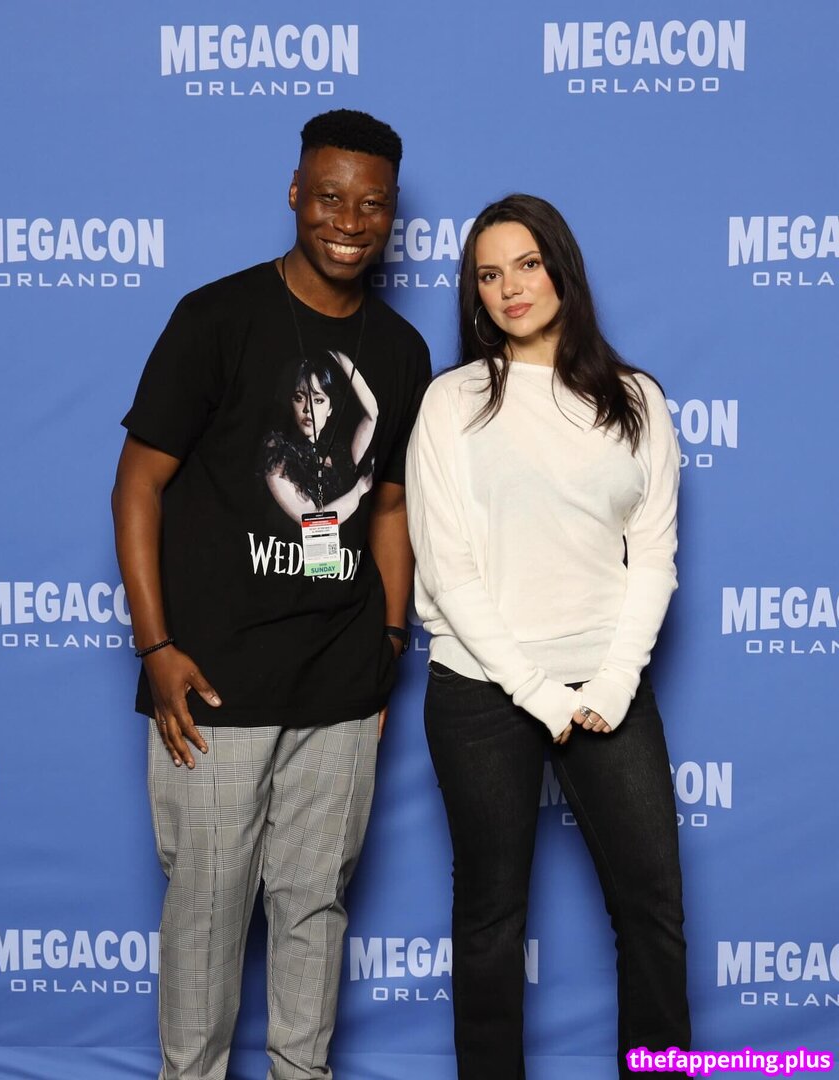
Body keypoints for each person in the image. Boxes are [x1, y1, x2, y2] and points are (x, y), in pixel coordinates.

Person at [111, 109, 430, 1080]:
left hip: (340, 684)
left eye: (371, 205)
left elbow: (389, 506)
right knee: (206, 912)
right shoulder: (216, 318)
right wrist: (156, 650)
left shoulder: (402, 351)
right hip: (213, 682)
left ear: (392, 214)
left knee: (313, 907)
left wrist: (387, 639)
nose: (349, 221)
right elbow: (138, 485)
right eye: (329, 197)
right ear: (295, 194)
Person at [405, 194, 690, 1078]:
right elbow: (447, 569)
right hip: (483, 691)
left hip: (605, 686)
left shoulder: (636, 399)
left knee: (651, 909)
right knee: (491, 919)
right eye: (489, 275)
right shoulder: (451, 402)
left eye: (527, 264)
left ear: (561, 266)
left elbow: (654, 558)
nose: (510, 288)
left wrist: (610, 684)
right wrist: (534, 692)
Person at [259, 349, 378, 524]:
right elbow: (311, 522)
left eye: (318, 400)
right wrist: (360, 489)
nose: (308, 409)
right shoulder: (277, 455)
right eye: (299, 398)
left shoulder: (338, 453)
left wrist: (338, 355)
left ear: (330, 409)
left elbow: (372, 414)